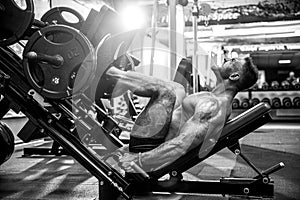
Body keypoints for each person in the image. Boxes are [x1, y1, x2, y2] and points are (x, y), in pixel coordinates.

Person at [103, 57, 258, 172]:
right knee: (177, 89)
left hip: (150, 144)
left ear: (234, 76)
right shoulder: (212, 98)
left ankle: (106, 72)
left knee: (168, 91)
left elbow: (183, 144)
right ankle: (111, 76)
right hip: (153, 139)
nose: (226, 59)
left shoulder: (214, 105)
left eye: (232, 61)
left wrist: (139, 159)